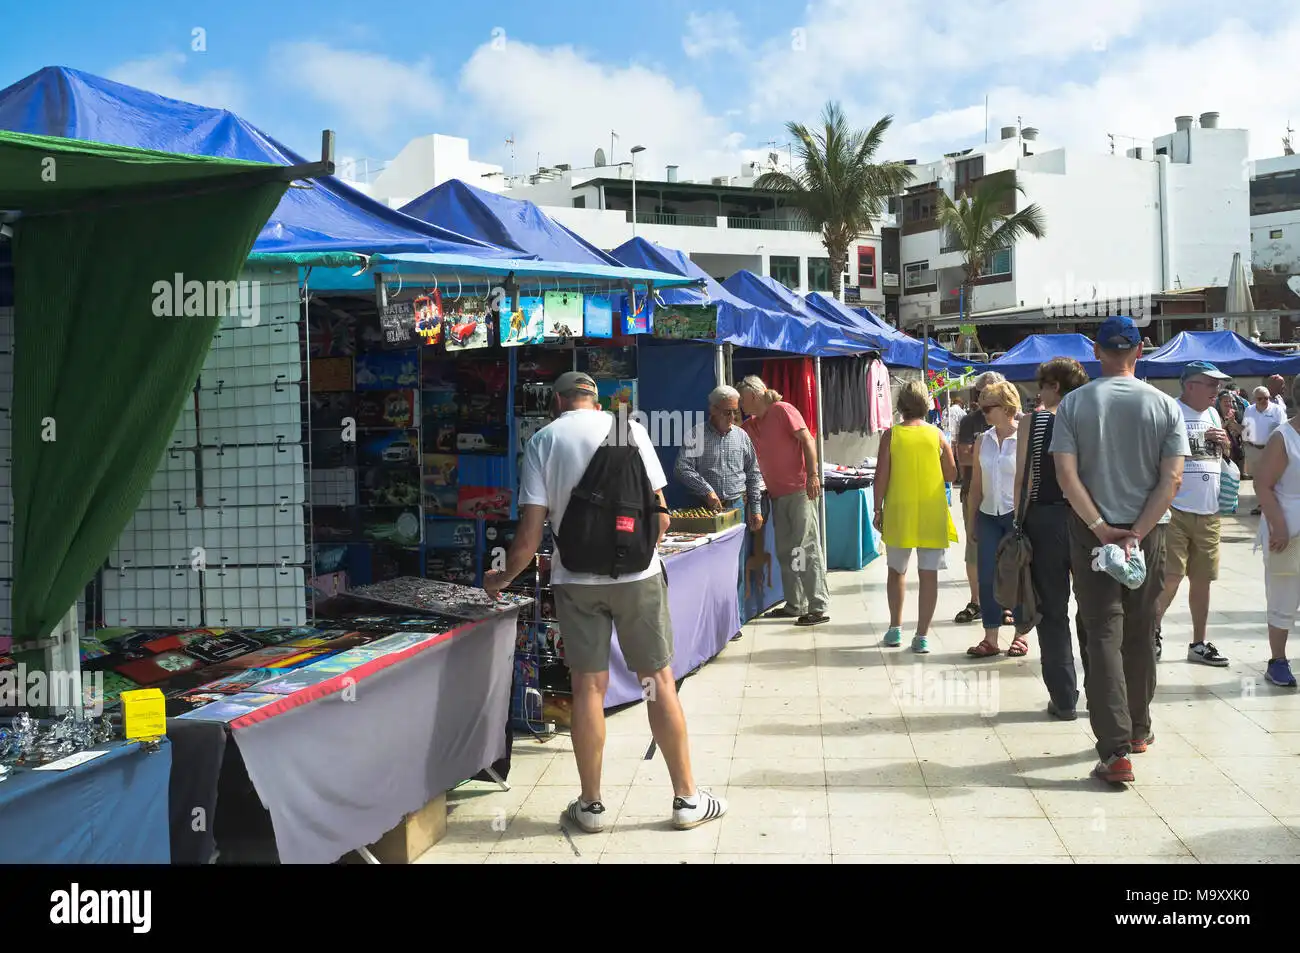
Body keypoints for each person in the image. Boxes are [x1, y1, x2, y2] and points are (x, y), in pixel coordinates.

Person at [484, 371, 727, 832]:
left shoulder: (542, 442)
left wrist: (501, 579)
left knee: (588, 690)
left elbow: (531, 535)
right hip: (638, 578)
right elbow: (661, 517)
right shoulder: (627, 428)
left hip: (576, 582)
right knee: (657, 682)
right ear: (595, 401)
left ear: (557, 402)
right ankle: (686, 799)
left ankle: (591, 806)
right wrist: (638, 555)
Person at [1051, 316, 1188, 784]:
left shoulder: (1072, 405)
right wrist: (1137, 532)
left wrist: (1100, 526)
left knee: (1102, 631)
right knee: (1141, 629)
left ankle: (1114, 750)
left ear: (1096, 350)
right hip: (1149, 535)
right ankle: (1139, 728)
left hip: (1092, 535)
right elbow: (1171, 479)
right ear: (1141, 350)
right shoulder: (1165, 406)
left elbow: (1066, 476)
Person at [1014, 356, 1091, 719]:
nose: (1038, 392)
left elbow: (1023, 480)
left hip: (1044, 519)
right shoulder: (1090, 418)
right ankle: (1101, 692)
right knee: (1093, 608)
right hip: (1088, 519)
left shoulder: (1033, 421)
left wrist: (1017, 520)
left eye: (1042, 385)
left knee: (1053, 610)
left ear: (1054, 387)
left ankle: (1063, 698)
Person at [1153, 361, 1233, 667]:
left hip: (1209, 510)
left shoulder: (1213, 414)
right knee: (1171, 577)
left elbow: (1222, 456)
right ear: (1190, 386)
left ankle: (1198, 643)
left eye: (1217, 385)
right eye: (1210, 384)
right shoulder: (1170, 412)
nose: (1217, 390)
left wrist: (1226, 445)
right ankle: (1151, 632)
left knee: (1203, 580)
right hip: (1175, 509)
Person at [873, 380, 959, 654]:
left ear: (900, 405)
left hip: (900, 511)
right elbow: (951, 475)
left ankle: (895, 628)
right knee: (929, 574)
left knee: (897, 571)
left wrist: (877, 509)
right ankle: (921, 635)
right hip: (931, 512)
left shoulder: (891, 436)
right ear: (926, 404)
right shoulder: (937, 435)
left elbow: (881, 477)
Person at [738, 375, 831, 626]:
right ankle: (795, 602)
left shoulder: (783, 410)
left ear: (754, 396)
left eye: (742, 400)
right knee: (786, 550)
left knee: (804, 548)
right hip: (778, 495)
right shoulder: (752, 424)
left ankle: (817, 604)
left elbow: (808, 440)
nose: (740, 405)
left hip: (799, 490)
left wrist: (813, 475)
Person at [964, 380, 1024, 658]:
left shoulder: (1024, 436)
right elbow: (976, 484)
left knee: (1019, 577)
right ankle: (990, 637)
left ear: (1008, 407)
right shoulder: (982, 440)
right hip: (988, 513)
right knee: (986, 577)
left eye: (989, 407)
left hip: (1016, 515)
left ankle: (1021, 634)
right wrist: (970, 521)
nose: (984, 412)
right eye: (981, 406)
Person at [1254, 376, 1300, 688]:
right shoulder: (1283, 437)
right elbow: (1262, 484)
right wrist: (1279, 526)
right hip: (1288, 529)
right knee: (1283, 598)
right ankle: (1278, 660)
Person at [954, 371, 1008, 624]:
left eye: (992, 392)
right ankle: (976, 601)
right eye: (982, 393)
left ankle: (1006, 601)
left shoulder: (1018, 421)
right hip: (975, 492)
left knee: (1008, 549)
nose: (986, 399)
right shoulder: (970, 421)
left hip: (1007, 497)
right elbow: (962, 457)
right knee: (974, 548)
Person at [674, 385, 763, 530]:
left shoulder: (741, 436)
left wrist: (756, 509)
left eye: (735, 412)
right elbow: (682, 468)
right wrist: (707, 491)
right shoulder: (697, 434)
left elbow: (753, 472)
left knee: (738, 551)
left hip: (737, 505)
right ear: (713, 410)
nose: (732, 417)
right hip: (705, 506)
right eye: (727, 412)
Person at [1245, 385, 1288, 514]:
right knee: (1257, 480)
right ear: (1254, 399)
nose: (1264, 401)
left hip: (1271, 450)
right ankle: (1262, 504)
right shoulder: (1249, 410)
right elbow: (1246, 429)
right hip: (1253, 449)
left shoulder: (1277, 410)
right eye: (1260, 399)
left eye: (1266, 398)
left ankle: (1271, 505)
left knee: (1271, 479)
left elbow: (1283, 430)